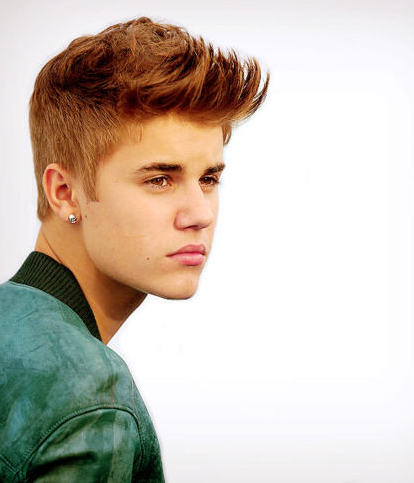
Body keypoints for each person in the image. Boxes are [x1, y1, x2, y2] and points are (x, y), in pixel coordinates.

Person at [0, 17, 268, 482]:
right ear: (64, 192)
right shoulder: (90, 398)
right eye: (160, 179)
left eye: (209, 178)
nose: (200, 213)